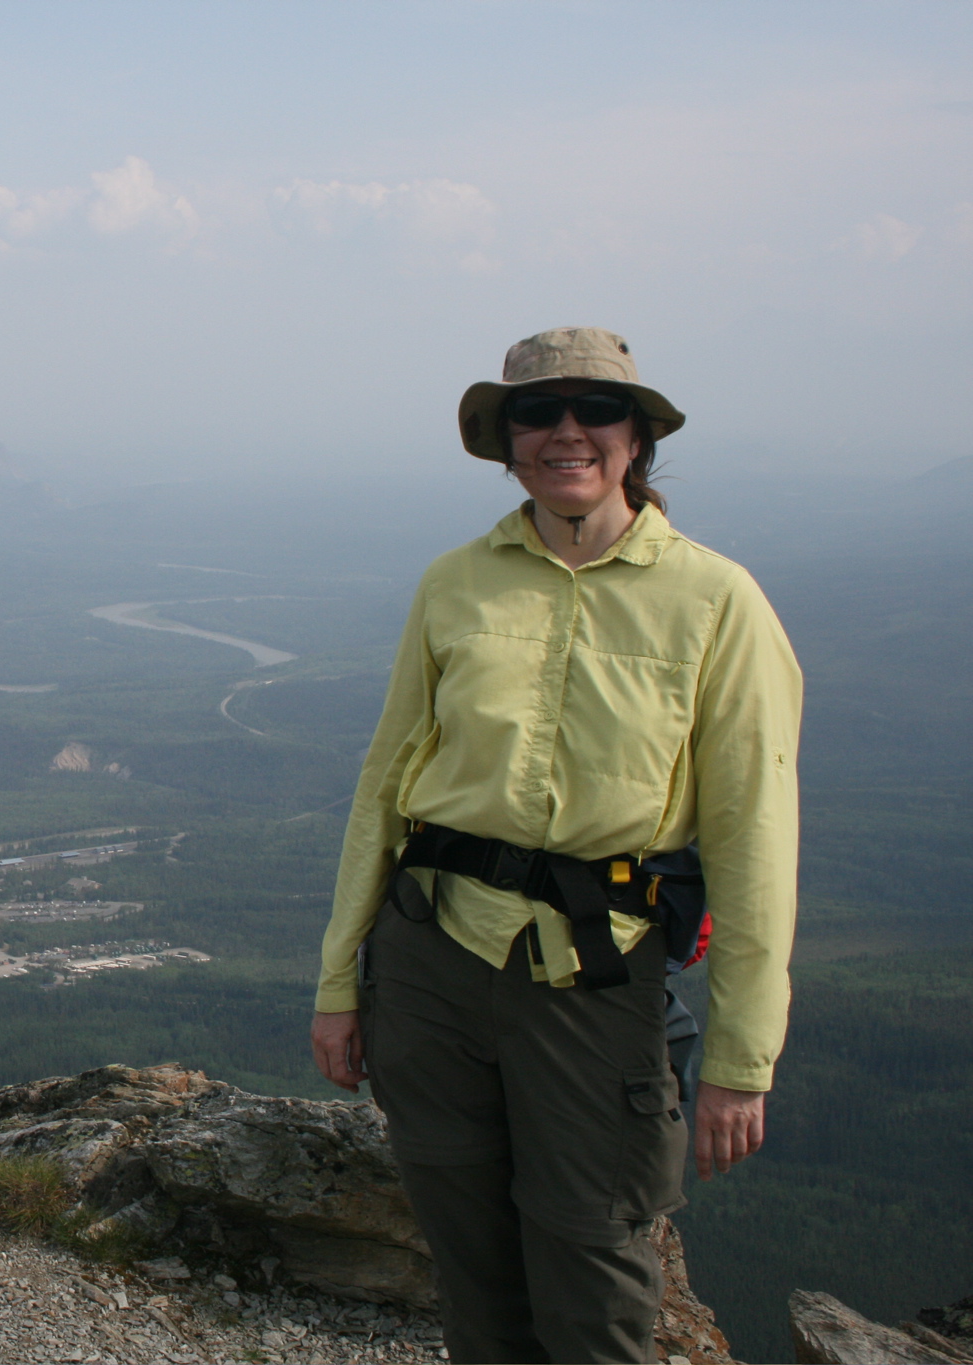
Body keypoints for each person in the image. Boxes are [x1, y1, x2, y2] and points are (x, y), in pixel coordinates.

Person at [308, 328, 802, 1364]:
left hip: (594, 977)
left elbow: (754, 833)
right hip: (432, 960)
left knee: (591, 1259)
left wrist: (741, 1060)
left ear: (636, 438)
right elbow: (384, 785)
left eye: (596, 410)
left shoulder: (716, 601)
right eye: (537, 412)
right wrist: (338, 984)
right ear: (505, 440)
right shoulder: (456, 584)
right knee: (468, 1252)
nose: (566, 431)